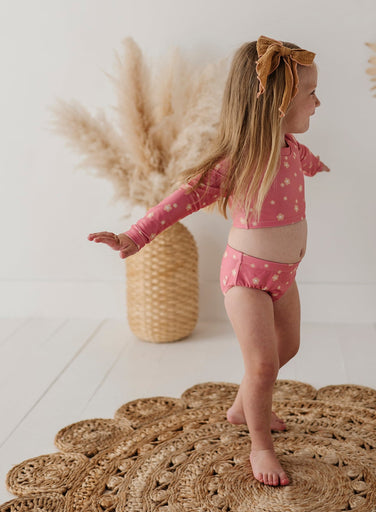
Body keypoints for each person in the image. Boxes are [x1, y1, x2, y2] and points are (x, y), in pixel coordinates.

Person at [88, 35, 329, 487]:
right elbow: (182, 199)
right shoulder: (237, 161)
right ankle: (260, 445)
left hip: (285, 274)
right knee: (263, 366)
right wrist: (134, 235)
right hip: (247, 279)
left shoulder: (291, 147)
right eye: (310, 93)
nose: (318, 102)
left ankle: (242, 406)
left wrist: (316, 166)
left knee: (288, 348)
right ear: (277, 102)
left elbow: (305, 161)